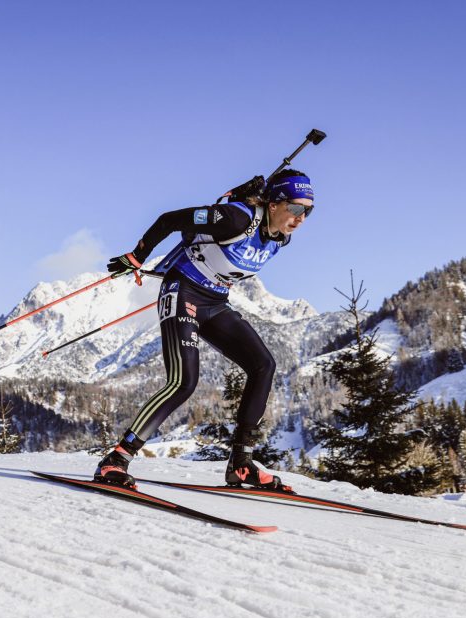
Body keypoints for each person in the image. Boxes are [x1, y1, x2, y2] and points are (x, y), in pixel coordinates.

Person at [96, 169, 315, 490]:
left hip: (214, 302)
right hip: (182, 291)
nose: (301, 218)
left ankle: (240, 463)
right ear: (273, 204)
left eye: (308, 211)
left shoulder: (281, 236)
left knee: (264, 365)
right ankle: (116, 459)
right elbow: (170, 219)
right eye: (296, 208)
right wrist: (137, 256)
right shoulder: (235, 220)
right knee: (183, 382)